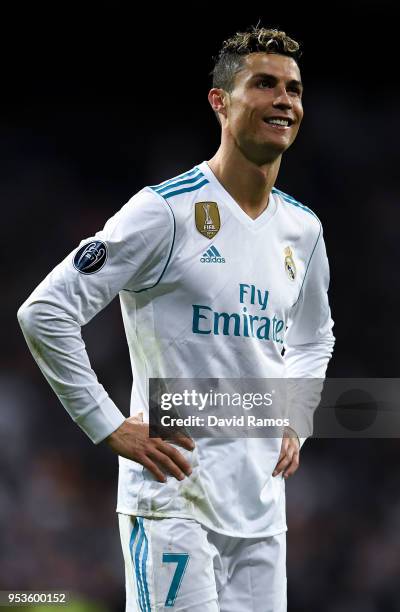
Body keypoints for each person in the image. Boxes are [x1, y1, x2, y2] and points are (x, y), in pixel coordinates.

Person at [18, 25, 335, 612]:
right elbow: (45, 312)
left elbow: (315, 335)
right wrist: (109, 426)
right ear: (220, 101)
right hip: (172, 505)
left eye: (292, 88)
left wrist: (299, 415)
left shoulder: (303, 229)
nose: (283, 100)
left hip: (262, 512)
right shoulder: (165, 211)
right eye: (263, 84)